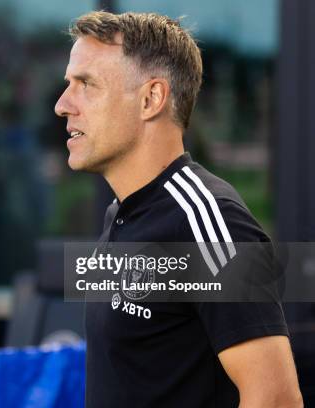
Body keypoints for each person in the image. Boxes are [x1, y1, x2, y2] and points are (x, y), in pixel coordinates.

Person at [54, 11, 303, 408]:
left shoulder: (209, 221)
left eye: (86, 85)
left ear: (151, 99)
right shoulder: (120, 215)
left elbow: (275, 399)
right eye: (69, 84)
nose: (62, 105)